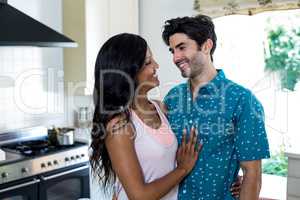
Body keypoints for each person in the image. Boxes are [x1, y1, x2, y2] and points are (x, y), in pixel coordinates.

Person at [89, 33, 241, 200]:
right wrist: (182, 169)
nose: (156, 65)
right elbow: (139, 196)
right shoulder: (119, 125)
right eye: (148, 62)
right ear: (128, 72)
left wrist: (228, 177)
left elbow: (203, 145)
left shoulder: (161, 108)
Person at [162, 15, 270, 200]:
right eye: (172, 51)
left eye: (182, 47)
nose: (176, 57)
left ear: (206, 45)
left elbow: (252, 173)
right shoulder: (172, 98)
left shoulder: (242, 100)